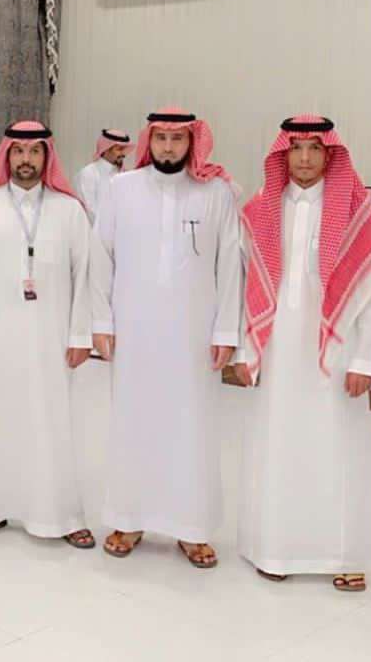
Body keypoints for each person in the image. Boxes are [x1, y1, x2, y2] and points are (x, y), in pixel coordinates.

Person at [233, 117, 371, 592]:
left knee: (337, 447)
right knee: (280, 442)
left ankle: (343, 555)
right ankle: (277, 549)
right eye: (296, 148)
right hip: (280, 349)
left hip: (337, 351)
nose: (304, 158)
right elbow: (249, 286)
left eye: (314, 148)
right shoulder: (261, 209)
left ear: (330, 155)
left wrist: (364, 360)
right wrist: (247, 348)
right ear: (282, 155)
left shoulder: (356, 212)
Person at [91, 107, 242, 568]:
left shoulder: (217, 193)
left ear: (192, 142)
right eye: (161, 138)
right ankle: (128, 518)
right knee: (133, 422)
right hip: (134, 329)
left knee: (191, 427)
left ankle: (192, 528)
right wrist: (101, 321)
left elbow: (230, 263)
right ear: (148, 141)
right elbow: (101, 257)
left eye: (178, 139)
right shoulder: (121, 190)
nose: (169, 147)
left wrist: (226, 329)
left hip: (193, 332)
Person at [0, 122, 95, 545]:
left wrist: (80, 335)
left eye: (34, 151)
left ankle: (61, 515)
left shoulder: (70, 211)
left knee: (52, 422)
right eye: (18, 151)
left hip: (52, 337)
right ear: (6, 156)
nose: (26, 160)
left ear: (47, 156)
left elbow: (85, 274)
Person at [75, 128, 132, 221]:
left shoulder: (124, 174)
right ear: (105, 149)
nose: (123, 154)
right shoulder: (89, 173)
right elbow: (89, 210)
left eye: (124, 149)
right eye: (119, 149)